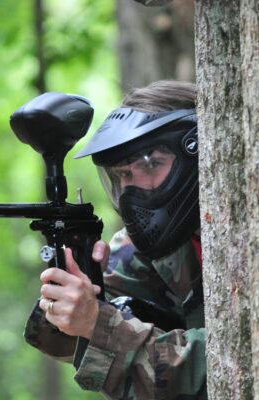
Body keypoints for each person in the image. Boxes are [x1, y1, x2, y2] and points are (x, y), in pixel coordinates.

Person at [24, 80, 207, 400]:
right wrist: (77, 284)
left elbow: (226, 364)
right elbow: (61, 343)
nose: (133, 191)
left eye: (149, 165)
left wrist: (98, 324)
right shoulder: (146, 248)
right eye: (123, 175)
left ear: (193, 152)